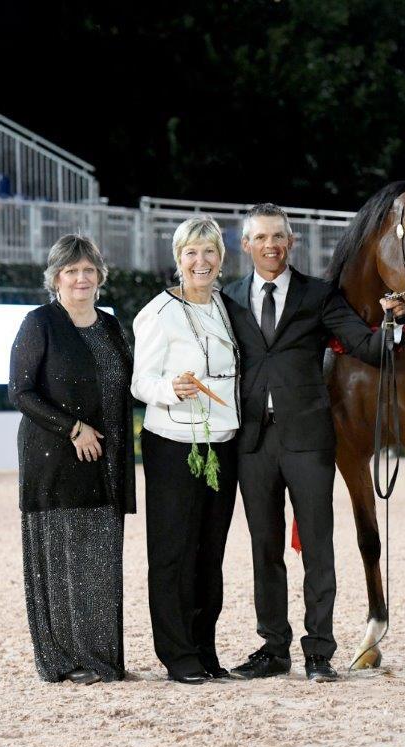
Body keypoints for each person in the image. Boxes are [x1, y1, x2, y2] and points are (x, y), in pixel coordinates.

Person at [221, 203, 405, 683]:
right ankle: (273, 648)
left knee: (318, 548)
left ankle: (319, 652)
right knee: (265, 548)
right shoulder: (229, 298)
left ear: (291, 241)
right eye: (261, 238)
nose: (271, 245)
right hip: (252, 441)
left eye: (278, 237)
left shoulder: (320, 295)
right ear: (246, 244)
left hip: (308, 438)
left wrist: (391, 323)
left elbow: (365, 345)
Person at [9, 234, 135, 685]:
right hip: (55, 459)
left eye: (88, 270)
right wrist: (73, 428)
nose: (81, 278)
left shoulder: (111, 326)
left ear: (99, 275)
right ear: (56, 277)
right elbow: (21, 392)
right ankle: (65, 659)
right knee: (62, 560)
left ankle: (102, 658)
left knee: (100, 562)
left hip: (107, 460)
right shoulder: (39, 323)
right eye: (71, 271)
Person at [131, 216, 241, 685]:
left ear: (221, 257)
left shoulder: (227, 306)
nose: (201, 260)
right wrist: (170, 389)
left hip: (223, 442)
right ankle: (177, 654)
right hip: (174, 445)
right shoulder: (159, 311)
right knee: (172, 552)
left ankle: (204, 648)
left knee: (210, 553)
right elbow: (140, 382)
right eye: (191, 252)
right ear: (179, 259)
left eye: (209, 251)